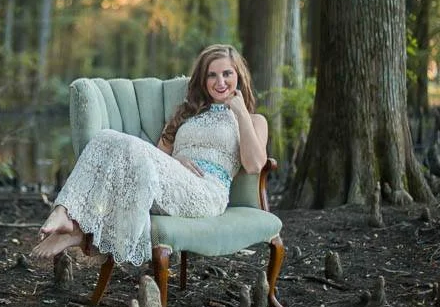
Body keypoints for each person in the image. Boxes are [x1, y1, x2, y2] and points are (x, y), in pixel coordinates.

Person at [31, 44, 268, 266]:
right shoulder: (186, 113)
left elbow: (255, 164)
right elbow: (154, 157)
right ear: (203, 80)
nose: (220, 82)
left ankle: (76, 230)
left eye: (227, 73)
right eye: (212, 75)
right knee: (104, 137)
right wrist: (176, 161)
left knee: (126, 144)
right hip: (171, 183)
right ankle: (65, 213)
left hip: (207, 193)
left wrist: (240, 112)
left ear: (239, 76)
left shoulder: (255, 121)